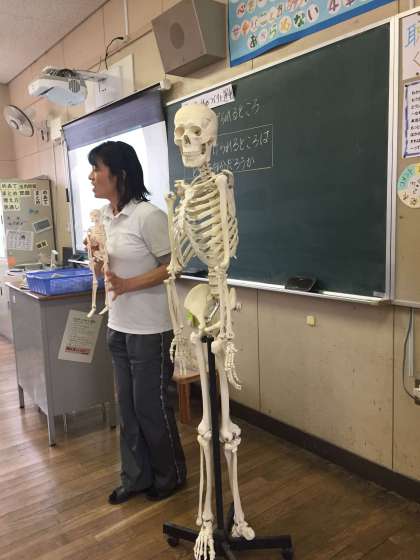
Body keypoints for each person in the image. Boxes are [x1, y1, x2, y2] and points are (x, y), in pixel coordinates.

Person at [87, 140, 186, 505]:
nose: (91, 176)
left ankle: (169, 475)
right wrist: (95, 256)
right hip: (119, 326)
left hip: (150, 330)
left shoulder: (147, 216)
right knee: (127, 409)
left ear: (120, 174)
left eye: (97, 168)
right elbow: (105, 272)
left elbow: (173, 266)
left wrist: (129, 284)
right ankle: (135, 477)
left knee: (150, 407)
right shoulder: (104, 217)